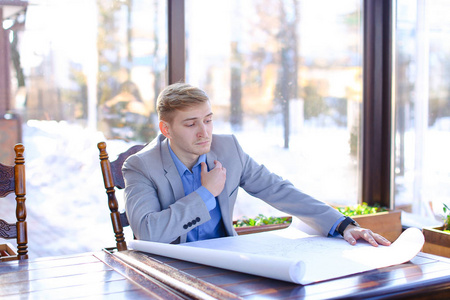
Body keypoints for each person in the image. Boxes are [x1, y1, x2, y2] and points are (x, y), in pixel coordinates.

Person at [123, 82, 391, 247]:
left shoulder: (228, 149)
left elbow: (278, 189)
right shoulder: (140, 166)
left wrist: (344, 225)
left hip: (225, 263)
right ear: (165, 129)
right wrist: (205, 194)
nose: (204, 132)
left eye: (208, 119)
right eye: (191, 124)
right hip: (167, 270)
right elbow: (148, 233)